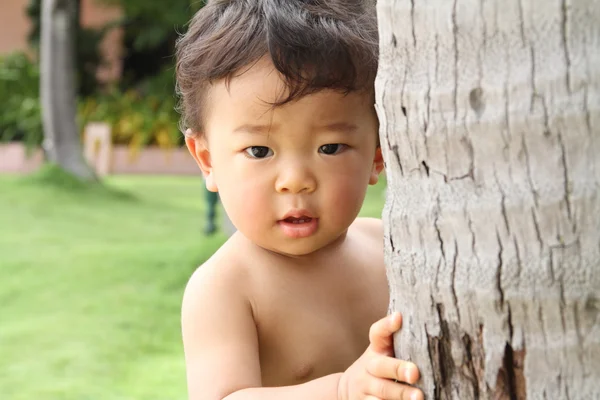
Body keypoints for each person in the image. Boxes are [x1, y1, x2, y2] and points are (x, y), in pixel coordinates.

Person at [176, 1, 423, 399]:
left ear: (378, 152)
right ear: (208, 160)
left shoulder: (388, 247)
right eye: (259, 151)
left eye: (330, 148)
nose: (295, 182)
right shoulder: (226, 287)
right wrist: (342, 389)